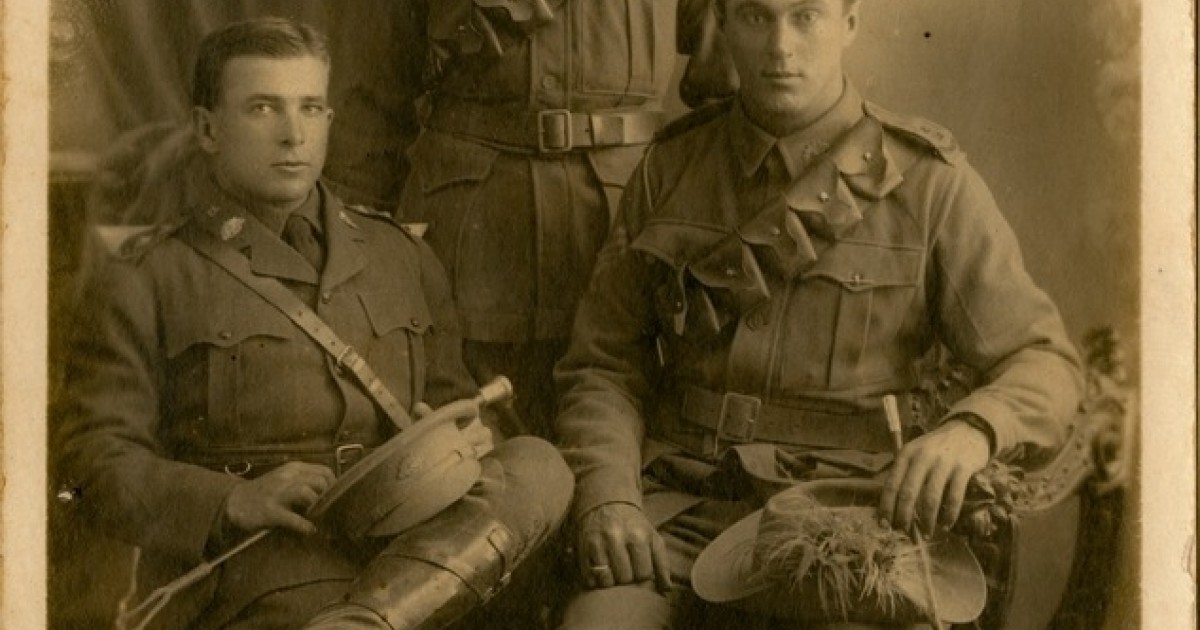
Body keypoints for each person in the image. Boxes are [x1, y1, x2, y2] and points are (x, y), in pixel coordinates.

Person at [551, 0, 1083, 627]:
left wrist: (972, 431)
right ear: (724, 23)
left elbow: (1045, 362)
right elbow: (602, 366)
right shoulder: (669, 168)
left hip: (852, 524)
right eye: (757, 17)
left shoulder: (930, 186)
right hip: (681, 513)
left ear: (849, 23)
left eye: (806, 16)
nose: (781, 46)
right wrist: (610, 498)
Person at [54, 17, 572, 630]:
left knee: (538, 462)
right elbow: (91, 461)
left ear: (329, 119)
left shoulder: (400, 256)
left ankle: (368, 621)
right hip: (259, 566)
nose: (293, 134)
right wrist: (232, 499)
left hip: (412, 542)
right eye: (263, 108)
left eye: (310, 107)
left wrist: (467, 437)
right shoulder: (147, 277)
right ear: (208, 129)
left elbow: (452, 405)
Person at [321, 0, 737, 438]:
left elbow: (731, 88)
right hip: (472, 251)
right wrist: (346, 270)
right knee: (468, 447)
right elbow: (368, 115)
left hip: (630, 233)